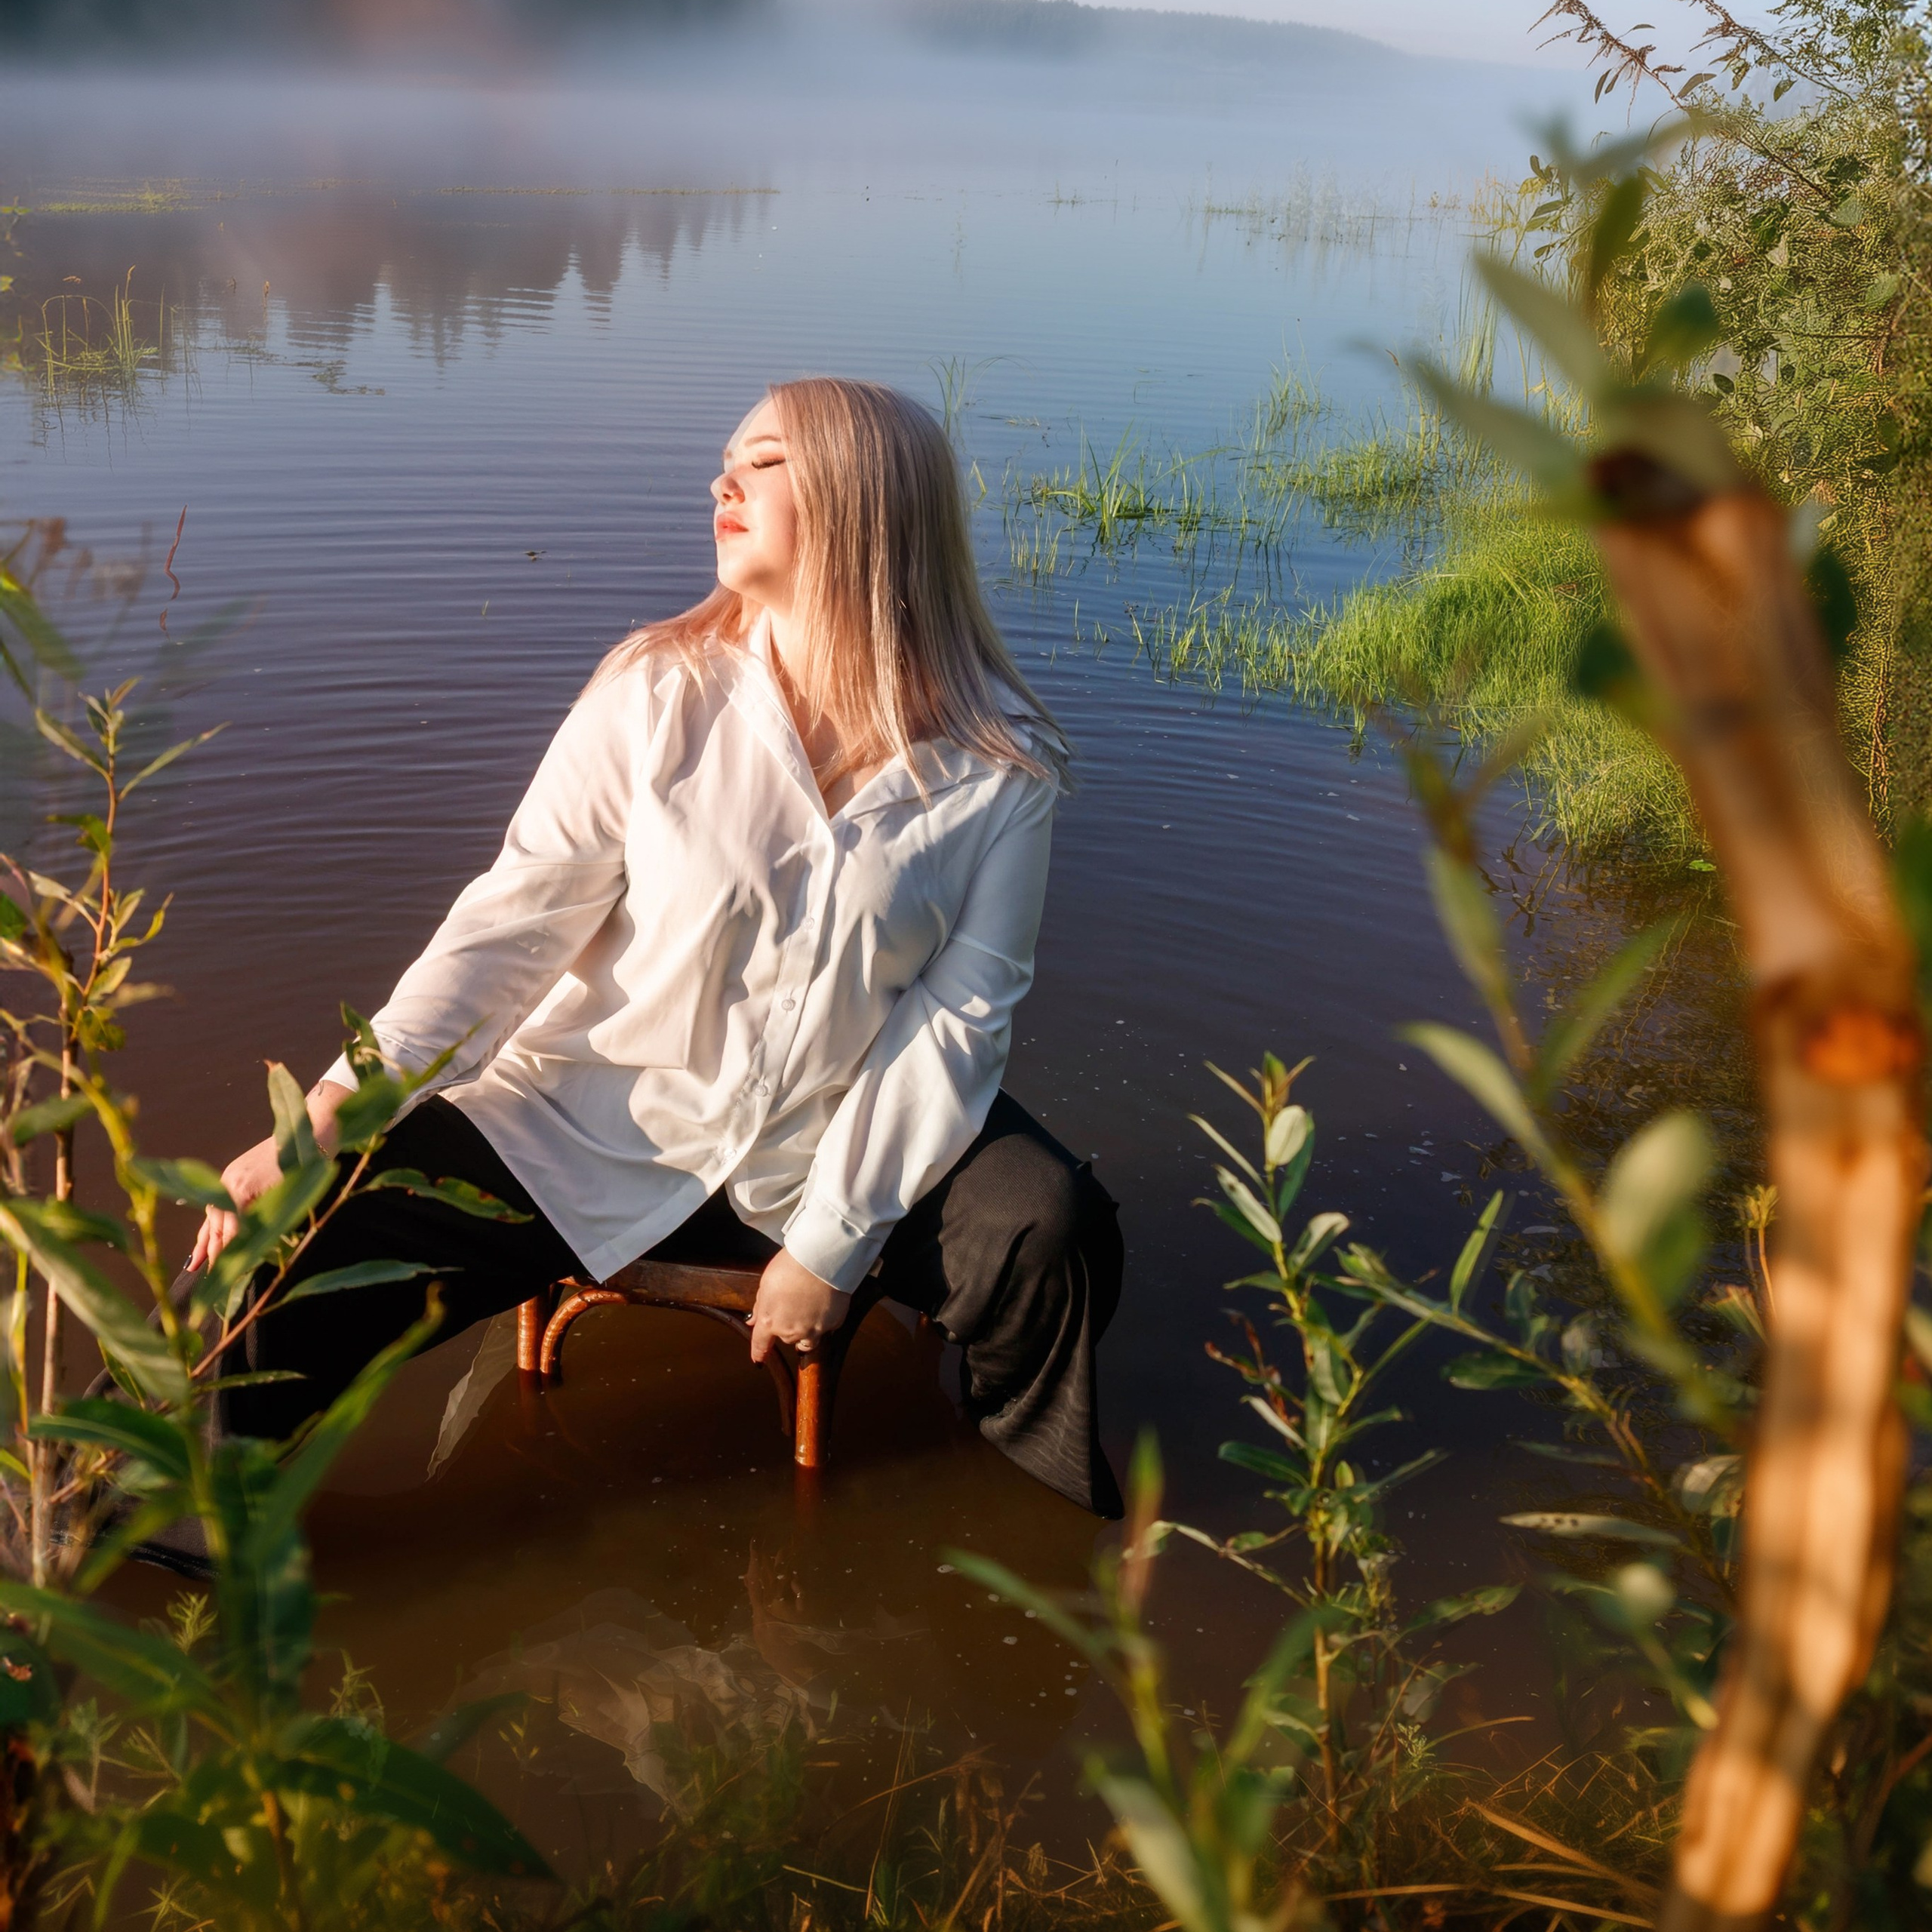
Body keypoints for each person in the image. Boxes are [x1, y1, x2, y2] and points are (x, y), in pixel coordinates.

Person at [192, 377, 1124, 1518]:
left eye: (766, 460)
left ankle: (1015, 1527)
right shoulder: (657, 693)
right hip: (585, 1127)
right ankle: (126, 1521)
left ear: (864, 497)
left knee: (1048, 1226)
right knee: (288, 1242)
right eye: (727, 459)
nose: (722, 482)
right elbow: (509, 928)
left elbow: (957, 1023)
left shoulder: (999, 766)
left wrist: (830, 1252)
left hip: (831, 1134)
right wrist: (335, 1108)